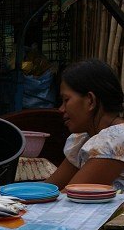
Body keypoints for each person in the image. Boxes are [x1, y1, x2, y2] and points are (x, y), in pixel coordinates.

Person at [46, 59, 124, 190]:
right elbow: (49, 188)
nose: (61, 109)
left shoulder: (115, 140)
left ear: (90, 100)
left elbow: (68, 198)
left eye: (66, 100)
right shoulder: (84, 139)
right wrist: (0, 191)